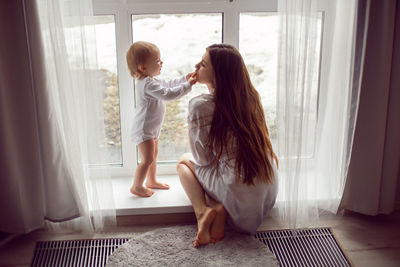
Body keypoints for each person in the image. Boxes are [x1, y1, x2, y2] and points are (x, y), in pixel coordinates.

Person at [177, 44, 279, 247]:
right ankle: (217, 206)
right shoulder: (250, 96)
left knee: (182, 162)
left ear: (218, 75)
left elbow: (202, 159)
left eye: (203, 64)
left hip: (236, 191)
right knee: (226, 163)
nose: (197, 66)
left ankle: (203, 213)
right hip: (266, 186)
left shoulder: (200, 105)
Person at [126, 41, 196, 197]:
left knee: (153, 156)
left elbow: (169, 84)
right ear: (143, 68)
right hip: (144, 130)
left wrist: (185, 78)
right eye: (157, 61)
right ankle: (136, 186)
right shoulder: (147, 85)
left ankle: (151, 181)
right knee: (147, 159)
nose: (161, 62)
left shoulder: (151, 80)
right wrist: (189, 85)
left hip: (151, 129)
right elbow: (168, 94)